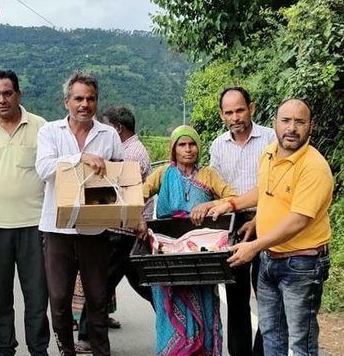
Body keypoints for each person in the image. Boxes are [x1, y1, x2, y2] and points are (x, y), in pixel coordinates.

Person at [208, 99, 333, 355]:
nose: (292, 128)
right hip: (270, 259)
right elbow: (264, 191)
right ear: (274, 122)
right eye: (286, 121)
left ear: (311, 126)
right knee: (271, 334)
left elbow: (298, 220)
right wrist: (230, 204)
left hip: (302, 264)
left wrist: (254, 246)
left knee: (300, 341)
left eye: (300, 122)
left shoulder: (314, 166)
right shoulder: (269, 153)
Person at [35, 71, 125, 356]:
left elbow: (119, 177)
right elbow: (44, 169)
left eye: (90, 99)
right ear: (66, 102)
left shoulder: (108, 134)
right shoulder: (50, 132)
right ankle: (66, 351)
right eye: (78, 99)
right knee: (59, 300)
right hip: (57, 230)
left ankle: (101, 352)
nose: (84, 104)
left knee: (98, 298)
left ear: (96, 102)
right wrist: (80, 159)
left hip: (94, 231)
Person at [0, 70, 50, 356]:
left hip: (36, 226)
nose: (2, 99)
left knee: (38, 297)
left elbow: (51, 176)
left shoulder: (41, 127)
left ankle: (38, 349)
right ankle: (4, 350)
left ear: (18, 93)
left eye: (7, 93)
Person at [142, 125, 237, 356]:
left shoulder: (208, 174)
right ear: (173, 149)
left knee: (204, 304)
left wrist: (209, 205)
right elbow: (140, 194)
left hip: (200, 255)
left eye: (192, 144)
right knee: (170, 310)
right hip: (168, 252)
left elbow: (232, 197)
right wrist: (139, 220)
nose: (188, 150)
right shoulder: (163, 173)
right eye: (182, 145)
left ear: (198, 147)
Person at [75, 106, 154, 354]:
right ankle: (171, 317)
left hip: (124, 229)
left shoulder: (131, 154)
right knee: (134, 281)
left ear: (117, 128)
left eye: (106, 126)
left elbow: (118, 192)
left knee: (103, 282)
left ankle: (86, 335)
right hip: (126, 229)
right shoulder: (131, 149)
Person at [209, 86, 275, 356]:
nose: (235, 117)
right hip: (233, 227)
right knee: (237, 301)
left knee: (268, 299)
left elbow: (280, 187)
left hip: (269, 223)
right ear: (222, 115)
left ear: (252, 108)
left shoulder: (271, 139)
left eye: (240, 110)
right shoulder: (218, 146)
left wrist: (259, 218)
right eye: (229, 112)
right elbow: (215, 188)